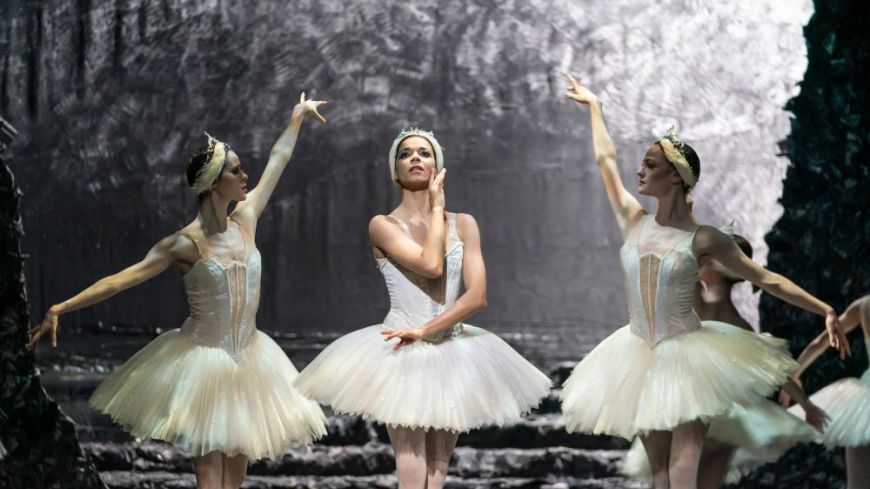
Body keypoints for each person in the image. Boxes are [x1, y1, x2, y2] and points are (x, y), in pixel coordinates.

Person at [558, 74, 849, 489]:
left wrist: (824, 309)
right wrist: (595, 108)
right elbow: (606, 161)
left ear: (676, 176)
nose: (640, 170)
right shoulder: (633, 219)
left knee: (684, 465)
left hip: (689, 357)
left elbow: (766, 279)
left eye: (651, 164)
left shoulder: (704, 238)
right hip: (637, 352)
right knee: (658, 470)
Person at [27, 93, 329, 489]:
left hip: (252, 358)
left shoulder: (247, 217)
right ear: (213, 183)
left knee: (236, 470)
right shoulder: (184, 244)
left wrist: (297, 117)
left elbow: (279, 159)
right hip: (205, 361)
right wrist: (60, 307)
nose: (244, 177)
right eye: (236, 171)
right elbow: (121, 279)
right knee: (210, 472)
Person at [293, 128, 552, 489]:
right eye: (406, 154)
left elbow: (477, 295)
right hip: (401, 345)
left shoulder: (464, 224)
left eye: (424, 153)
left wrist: (429, 330)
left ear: (437, 166)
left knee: (438, 470)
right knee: (411, 467)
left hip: (451, 348)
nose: (415, 158)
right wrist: (438, 208)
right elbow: (431, 264)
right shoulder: (382, 225)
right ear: (394, 171)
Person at [620, 229, 827, 488]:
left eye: (706, 258)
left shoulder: (697, 299)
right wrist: (806, 406)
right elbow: (776, 370)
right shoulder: (731, 319)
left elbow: (774, 369)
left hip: (690, 407)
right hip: (715, 415)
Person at [786, 294, 870, 489]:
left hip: (864, 403)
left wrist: (794, 375)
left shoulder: (864, 305)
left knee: (858, 484)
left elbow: (820, 342)